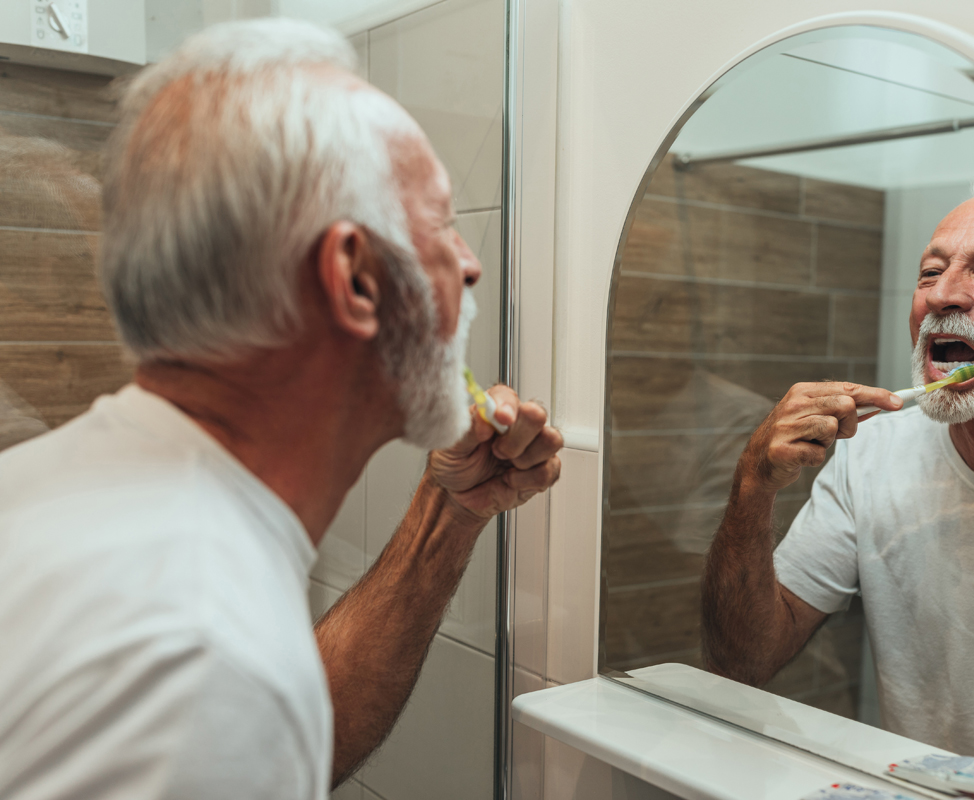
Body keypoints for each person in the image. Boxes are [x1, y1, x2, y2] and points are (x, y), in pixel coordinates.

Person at [0, 19, 562, 798]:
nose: (470, 267)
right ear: (355, 279)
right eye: (440, 222)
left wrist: (450, 511)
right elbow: (231, 699)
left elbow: (281, 733)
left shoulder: (67, 487)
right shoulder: (202, 653)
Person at [702, 172, 974, 768]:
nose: (941, 296)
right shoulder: (871, 451)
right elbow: (741, 661)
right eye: (931, 272)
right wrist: (753, 484)